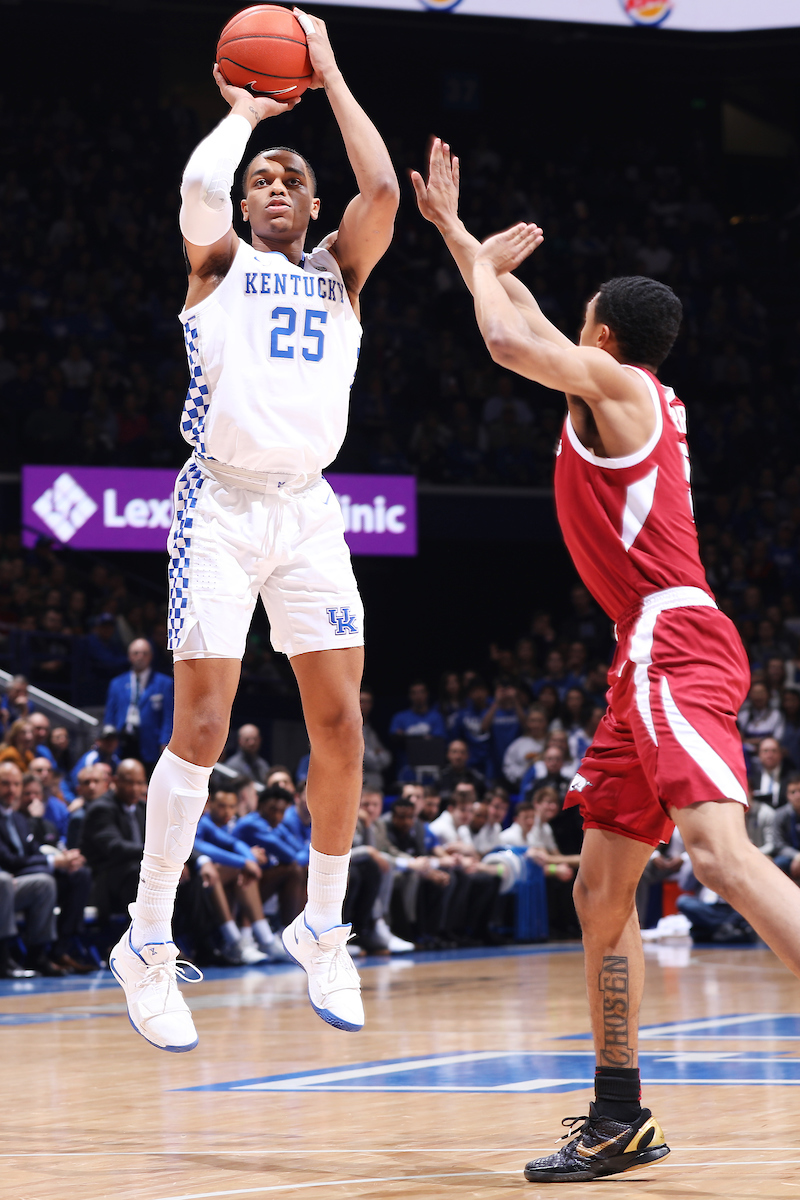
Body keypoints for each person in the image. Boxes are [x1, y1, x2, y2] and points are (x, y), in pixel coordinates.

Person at [413, 137, 800, 1182]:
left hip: (673, 639)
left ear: (604, 335)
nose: (568, 330)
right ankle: (619, 1114)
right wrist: (458, 237)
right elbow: (525, 321)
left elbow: (506, 336)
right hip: (642, 652)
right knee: (598, 891)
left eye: (578, 320)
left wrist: (472, 257)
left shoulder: (616, 386)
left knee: (718, 856)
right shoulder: (618, 389)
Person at [109, 7, 399, 1051]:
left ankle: (321, 925)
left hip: (309, 508)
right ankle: (146, 939)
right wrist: (243, 115)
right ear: (245, 201)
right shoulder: (219, 264)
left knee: (341, 725)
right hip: (221, 503)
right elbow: (197, 193)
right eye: (262, 180)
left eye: (291, 178)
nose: (275, 185)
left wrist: (328, 68)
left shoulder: (340, 271)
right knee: (201, 725)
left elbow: (382, 191)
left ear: (312, 204)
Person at [104, 638, 174, 768]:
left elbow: (168, 716)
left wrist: (165, 741)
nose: (140, 657)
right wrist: (109, 736)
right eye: (136, 653)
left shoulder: (164, 683)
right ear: (129, 656)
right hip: (123, 740)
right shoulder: (117, 683)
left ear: (151, 656)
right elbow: (110, 714)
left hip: (151, 742)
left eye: (144, 653)